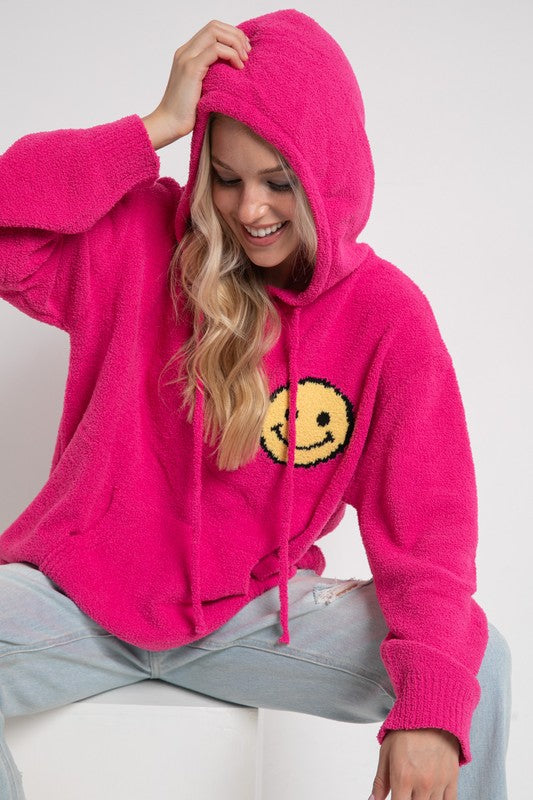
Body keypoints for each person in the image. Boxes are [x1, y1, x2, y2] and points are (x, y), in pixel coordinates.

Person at [0, 10, 511, 800]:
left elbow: (428, 535)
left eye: (278, 181)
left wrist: (429, 713)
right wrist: (156, 124)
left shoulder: (385, 317)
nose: (249, 210)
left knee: (470, 668)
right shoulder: (139, 241)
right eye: (227, 177)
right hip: (80, 604)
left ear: (328, 172)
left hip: (252, 619)